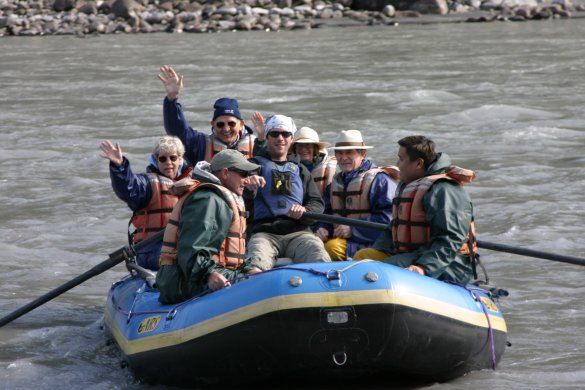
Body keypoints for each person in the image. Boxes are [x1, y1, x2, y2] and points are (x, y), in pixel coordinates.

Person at [353, 135, 477, 285]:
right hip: (414, 254)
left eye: (401, 159)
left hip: (451, 264)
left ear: (418, 163)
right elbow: (394, 229)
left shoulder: (444, 190)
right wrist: (379, 249)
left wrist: (424, 268)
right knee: (363, 257)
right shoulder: (412, 184)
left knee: (380, 271)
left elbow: (450, 239)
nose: (397, 164)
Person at [155, 149, 262, 304]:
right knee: (260, 285)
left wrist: (247, 269)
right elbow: (191, 250)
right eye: (243, 174)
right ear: (225, 173)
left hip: (200, 274)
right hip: (184, 281)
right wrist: (208, 274)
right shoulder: (207, 200)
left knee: (260, 276)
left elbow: (224, 253)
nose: (247, 179)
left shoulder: (219, 199)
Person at [244, 114, 331, 270]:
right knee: (254, 265)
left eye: (285, 134)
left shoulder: (301, 170)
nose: (280, 138)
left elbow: (316, 203)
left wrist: (306, 210)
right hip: (264, 234)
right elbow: (239, 197)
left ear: (291, 140)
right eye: (274, 134)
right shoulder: (251, 167)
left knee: (319, 256)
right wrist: (248, 184)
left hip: (298, 233)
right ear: (268, 137)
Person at [99, 136, 192, 270]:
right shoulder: (146, 184)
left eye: (173, 158)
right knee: (182, 260)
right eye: (162, 159)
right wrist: (119, 166)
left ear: (180, 160)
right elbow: (128, 187)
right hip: (151, 250)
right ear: (156, 161)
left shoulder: (192, 184)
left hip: (179, 246)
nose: (168, 163)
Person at [314, 130, 399, 261]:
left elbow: (388, 219)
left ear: (362, 153)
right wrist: (322, 227)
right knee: (317, 244)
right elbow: (326, 213)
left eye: (349, 152)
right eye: (339, 153)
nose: (343, 158)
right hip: (347, 241)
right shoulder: (335, 184)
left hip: (376, 244)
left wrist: (353, 230)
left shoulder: (380, 181)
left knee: (331, 247)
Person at [158, 65, 256, 166]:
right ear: (213, 124)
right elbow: (177, 130)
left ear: (241, 124)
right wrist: (172, 98)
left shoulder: (257, 144)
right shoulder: (199, 144)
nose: (226, 129)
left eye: (231, 124)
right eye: (220, 124)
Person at [250, 112, 337, 196]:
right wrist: (261, 138)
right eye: (300, 146)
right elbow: (261, 160)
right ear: (294, 148)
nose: (304, 149)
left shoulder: (324, 167)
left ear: (315, 148)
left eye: (308, 145)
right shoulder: (289, 165)